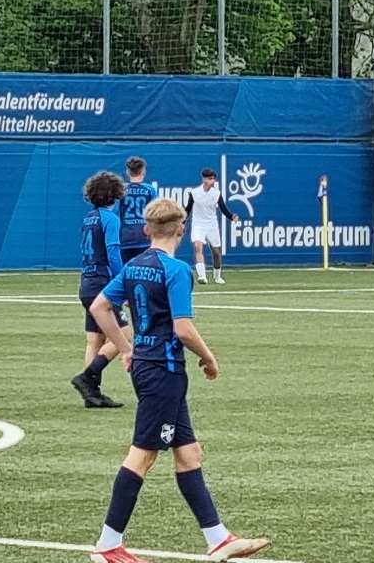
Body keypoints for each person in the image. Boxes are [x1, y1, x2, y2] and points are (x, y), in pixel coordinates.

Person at [87, 198, 270, 563]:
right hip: (163, 370)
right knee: (143, 455)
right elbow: (183, 329)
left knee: (188, 452)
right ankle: (108, 545)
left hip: (149, 367)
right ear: (182, 230)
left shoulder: (134, 266)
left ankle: (218, 538)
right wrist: (208, 356)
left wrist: (126, 348)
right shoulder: (177, 270)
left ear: (146, 230)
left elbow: (100, 307)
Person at [72, 171, 130, 409]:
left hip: (87, 281)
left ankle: (91, 393)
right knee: (123, 335)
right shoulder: (110, 219)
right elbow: (113, 253)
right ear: (115, 194)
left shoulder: (89, 218)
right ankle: (87, 379)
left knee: (95, 339)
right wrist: (123, 283)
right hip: (102, 283)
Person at [185, 168, 239, 285]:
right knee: (198, 247)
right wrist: (182, 222)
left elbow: (223, 209)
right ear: (204, 179)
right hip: (198, 225)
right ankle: (202, 276)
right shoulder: (194, 193)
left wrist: (231, 217)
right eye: (210, 179)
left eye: (213, 179)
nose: (212, 181)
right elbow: (188, 210)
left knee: (216, 252)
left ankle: (217, 276)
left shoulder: (216, 194)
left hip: (212, 225)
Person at [117, 157, 158, 264]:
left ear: (127, 171)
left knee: (125, 270)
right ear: (143, 171)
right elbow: (155, 214)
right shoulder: (150, 190)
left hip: (125, 237)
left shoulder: (121, 190)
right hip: (145, 237)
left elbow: (116, 213)